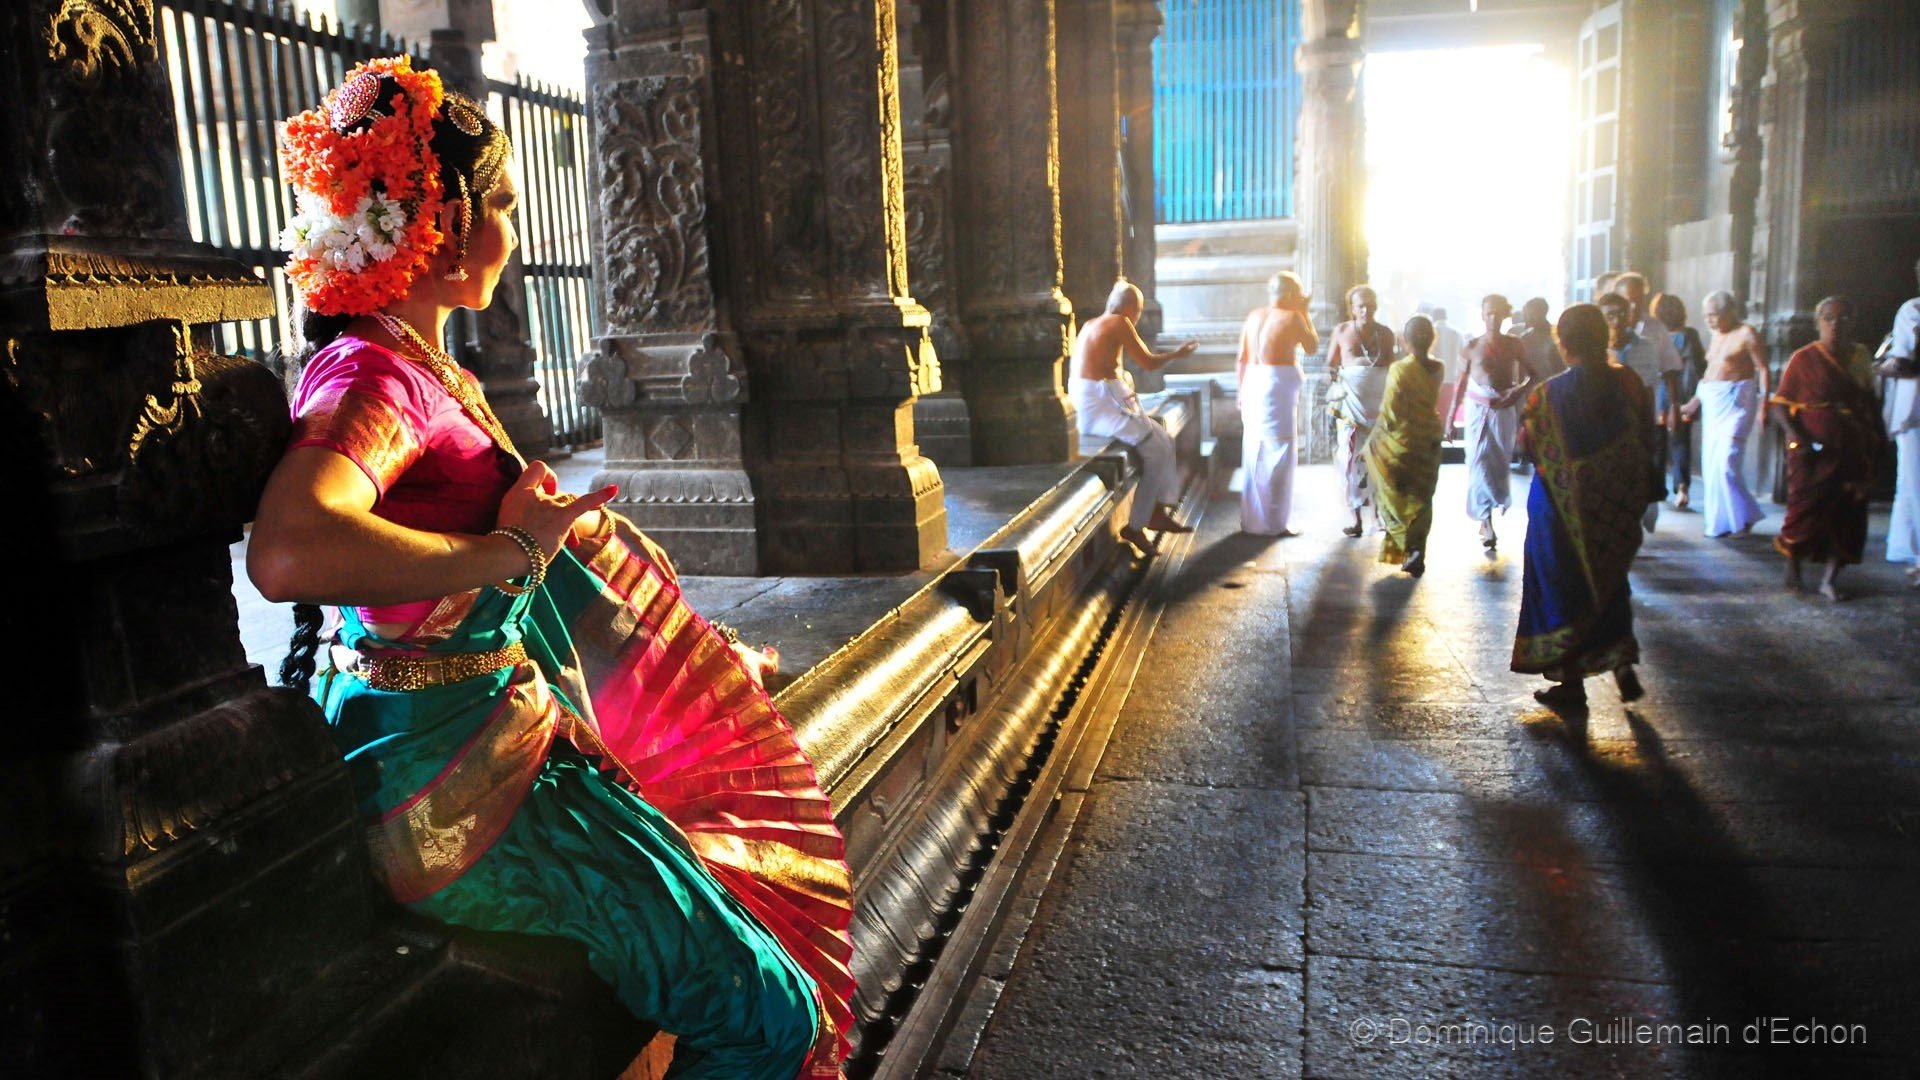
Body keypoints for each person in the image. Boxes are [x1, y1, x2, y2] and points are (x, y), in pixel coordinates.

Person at [247, 59, 851, 1079]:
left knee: (753, 959)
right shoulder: (377, 373)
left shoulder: (418, 363)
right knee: (769, 1018)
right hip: (452, 789)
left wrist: (665, 636)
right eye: (506, 210)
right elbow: (288, 549)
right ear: (445, 223)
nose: (514, 237)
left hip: (484, 738)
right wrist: (515, 549)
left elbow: (466, 584)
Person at [1512, 304, 1663, 708]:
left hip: (1562, 510)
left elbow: (1528, 447)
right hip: (1615, 506)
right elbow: (1645, 435)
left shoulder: (1546, 396)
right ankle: (1621, 663)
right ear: (1603, 338)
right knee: (1610, 581)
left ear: (1563, 344)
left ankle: (1571, 683)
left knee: (1565, 586)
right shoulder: (1628, 381)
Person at [1069, 279, 1200, 552]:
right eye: (1138, 310)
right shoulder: (1119, 322)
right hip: (1100, 404)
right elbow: (1147, 362)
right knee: (1157, 451)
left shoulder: (1091, 323)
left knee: (1164, 439)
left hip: (1093, 400)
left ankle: (1158, 512)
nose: (1138, 317)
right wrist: (1178, 353)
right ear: (1128, 306)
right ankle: (1137, 525)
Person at [1770, 296, 1886, 600]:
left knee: (1848, 511)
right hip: (1813, 450)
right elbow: (1780, 404)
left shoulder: (1860, 356)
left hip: (1852, 447)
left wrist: (1877, 438)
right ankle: (1793, 569)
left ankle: (1830, 580)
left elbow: (1870, 400)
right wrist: (1797, 437)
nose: (1836, 325)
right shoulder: (1803, 358)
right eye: (1829, 318)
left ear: (1853, 323)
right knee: (1804, 509)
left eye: (1843, 318)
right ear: (1818, 323)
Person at [1235, 272, 1318, 536]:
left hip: (1252, 382)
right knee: (1279, 451)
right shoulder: (1293, 317)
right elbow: (1312, 346)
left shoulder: (1253, 316)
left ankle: (1252, 522)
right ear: (1292, 294)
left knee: (1254, 449)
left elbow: (1241, 358)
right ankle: (1274, 524)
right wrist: (1304, 311)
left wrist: (1240, 391)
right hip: (1275, 385)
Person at [1680, 291, 1769, 537]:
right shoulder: (1716, 335)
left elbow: (1763, 368)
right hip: (1714, 402)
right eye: (1706, 315)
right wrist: (1695, 401)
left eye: (1714, 314)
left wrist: (1765, 404)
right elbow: (1710, 372)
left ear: (1729, 311)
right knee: (1712, 466)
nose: (1709, 320)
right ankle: (1735, 519)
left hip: (1737, 402)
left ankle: (1744, 518)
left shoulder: (1747, 333)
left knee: (1727, 464)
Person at [1449, 294, 1534, 551]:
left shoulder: (1514, 345)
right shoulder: (1471, 346)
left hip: (1504, 411)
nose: (1493, 318)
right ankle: (1485, 521)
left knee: (1499, 464)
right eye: (1489, 313)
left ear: (1506, 314)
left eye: (1498, 313)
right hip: (1478, 410)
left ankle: (1489, 512)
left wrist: (1516, 392)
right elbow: (1460, 384)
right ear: (1482, 315)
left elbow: (1533, 375)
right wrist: (1450, 418)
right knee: (1479, 462)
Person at [1365, 315, 1446, 575]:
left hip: (1402, 442)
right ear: (1432, 339)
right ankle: (1418, 549)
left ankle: (1407, 546)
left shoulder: (1400, 369)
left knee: (1394, 493)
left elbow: (1390, 413)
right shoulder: (1439, 367)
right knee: (1423, 498)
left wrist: (1372, 442)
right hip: (1429, 439)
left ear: (1404, 340)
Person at [1599, 291, 1678, 532]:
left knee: (1637, 474)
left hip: (1637, 422)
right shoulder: (1597, 351)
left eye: (1622, 313)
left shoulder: (1646, 347)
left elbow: (1650, 388)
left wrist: (1652, 424)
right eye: (1610, 315)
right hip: (1606, 425)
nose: (1617, 320)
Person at [1326, 284, 1397, 538]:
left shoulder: (1385, 334)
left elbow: (1392, 369)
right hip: (1350, 409)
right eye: (1361, 306)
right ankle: (1355, 517)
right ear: (1352, 309)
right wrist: (1339, 385)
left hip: (1378, 409)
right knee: (1350, 461)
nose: (1366, 310)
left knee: (1379, 461)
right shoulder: (1342, 331)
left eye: (1371, 305)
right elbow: (1331, 364)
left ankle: (1377, 515)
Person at [1882, 261, 1920, 587]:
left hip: (1915, 410)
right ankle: (1912, 552)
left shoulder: (1913, 310)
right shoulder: (1913, 310)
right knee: (1910, 482)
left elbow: (1905, 363)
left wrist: (1883, 366)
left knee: (1913, 482)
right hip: (1914, 410)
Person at [1651, 292, 1708, 509]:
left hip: (1660, 392)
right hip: (1684, 393)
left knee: (1657, 443)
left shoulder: (1655, 336)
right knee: (1681, 441)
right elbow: (1700, 366)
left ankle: (1657, 489)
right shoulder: (1690, 335)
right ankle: (1682, 487)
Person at [1512, 297, 1562, 381]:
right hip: (1532, 386)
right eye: (1526, 315)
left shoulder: (1558, 335)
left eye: (1532, 314)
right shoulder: (1525, 339)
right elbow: (1521, 371)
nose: (1528, 318)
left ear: (1543, 312)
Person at [1430, 305, 1465, 423]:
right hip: (1450, 380)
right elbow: (1463, 359)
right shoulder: (1457, 333)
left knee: (1432, 415)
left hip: (1432, 380)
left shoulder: (1430, 331)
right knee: (1446, 416)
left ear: (1434, 317)